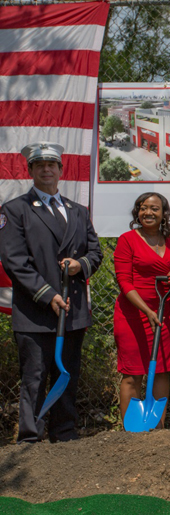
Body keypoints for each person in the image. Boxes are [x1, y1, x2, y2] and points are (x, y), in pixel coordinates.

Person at [0, 142, 103, 443]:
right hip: (36, 311)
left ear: (61, 170)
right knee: (34, 377)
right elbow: (14, 262)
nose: (47, 169)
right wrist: (48, 295)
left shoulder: (79, 211)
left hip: (72, 310)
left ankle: (63, 433)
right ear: (30, 170)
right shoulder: (15, 210)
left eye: (52, 164)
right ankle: (30, 438)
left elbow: (95, 253)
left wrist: (78, 265)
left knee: (66, 375)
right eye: (40, 165)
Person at [113, 192, 170, 429]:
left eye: (154, 209)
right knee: (133, 373)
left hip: (164, 312)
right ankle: (132, 429)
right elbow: (124, 282)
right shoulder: (127, 240)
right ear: (137, 212)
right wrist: (146, 310)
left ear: (164, 214)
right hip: (134, 315)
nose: (148, 213)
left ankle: (158, 428)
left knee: (162, 370)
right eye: (143, 208)